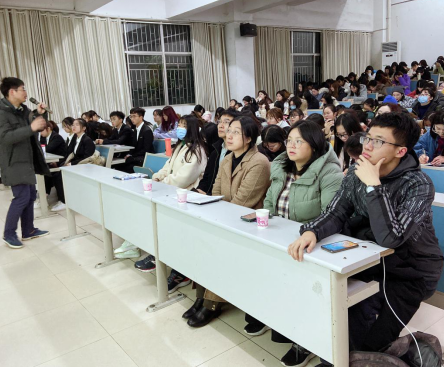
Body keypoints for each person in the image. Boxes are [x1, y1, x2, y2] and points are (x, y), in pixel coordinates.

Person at [289, 113, 443, 364]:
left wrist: (373, 186)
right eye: (368, 138)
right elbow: (336, 211)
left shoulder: (419, 185)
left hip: (410, 273)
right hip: (369, 262)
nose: (368, 146)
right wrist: (312, 231)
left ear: (401, 151)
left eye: (379, 141)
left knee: (364, 338)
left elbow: (392, 238)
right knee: (331, 306)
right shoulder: (356, 173)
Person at [244, 121, 344, 366]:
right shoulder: (281, 167)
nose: (291, 145)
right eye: (289, 140)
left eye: (299, 141)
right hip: (279, 237)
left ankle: (305, 341)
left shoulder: (329, 172)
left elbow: (331, 215)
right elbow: (269, 202)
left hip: (312, 244)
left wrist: (308, 233)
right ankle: (273, 318)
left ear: (314, 145)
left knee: (302, 286)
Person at [184, 117, 271, 328]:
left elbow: (242, 202)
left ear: (249, 138)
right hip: (225, 217)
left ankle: (212, 303)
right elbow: (216, 192)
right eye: (229, 131)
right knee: (201, 241)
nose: (229, 135)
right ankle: (201, 296)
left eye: (236, 132)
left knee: (217, 246)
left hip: (248, 225)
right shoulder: (227, 159)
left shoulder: (259, 162)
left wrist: (219, 214)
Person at [135, 115, 207, 275]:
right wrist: (157, 177)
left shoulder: (197, 150)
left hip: (185, 194)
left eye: (184, 126)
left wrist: (164, 182)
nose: (180, 129)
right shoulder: (180, 146)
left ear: (192, 129)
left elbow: (184, 178)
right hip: (171, 191)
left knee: (172, 229)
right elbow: (167, 166)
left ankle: (169, 263)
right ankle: (158, 255)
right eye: (179, 125)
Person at [0, 77, 51, 249]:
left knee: (30, 195)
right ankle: (9, 234)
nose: (26, 92)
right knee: (21, 197)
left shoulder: (22, 110)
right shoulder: (1, 113)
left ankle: (28, 230)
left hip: (26, 160)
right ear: (12, 92)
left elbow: (36, 126)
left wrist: (40, 114)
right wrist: (31, 127)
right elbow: (5, 138)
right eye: (23, 89)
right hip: (14, 161)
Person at [51, 119, 96, 212]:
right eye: (73, 125)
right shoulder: (76, 139)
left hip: (85, 166)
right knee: (56, 173)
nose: (73, 127)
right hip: (76, 165)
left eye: (77, 125)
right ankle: (62, 199)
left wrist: (71, 164)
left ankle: (64, 201)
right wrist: (62, 163)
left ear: (84, 128)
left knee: (59, 176)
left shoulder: (87, 140)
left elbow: (87, 157)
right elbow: (70, 154)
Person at [196, 111, 239, 195]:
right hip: (209, 196)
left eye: (226, 122)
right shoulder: (216, 150)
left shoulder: (236, 153)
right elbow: (206, 178)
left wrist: (209, 196)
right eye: (219, 122)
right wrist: (198, 191)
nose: (220, 125)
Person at [115, 108, 155, 174]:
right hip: (138, 156)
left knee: (126, 165)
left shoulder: (147, 130)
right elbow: (134, 145)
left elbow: (146, 149)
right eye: (131, 116)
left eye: (134, 116)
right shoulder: (135, 130)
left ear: (141, 117)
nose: (132, 119)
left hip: (145, 156)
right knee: (119, 164)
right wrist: (129, 154)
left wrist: (132, 155)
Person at [38, 121, 67, 209]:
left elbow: (47, 149)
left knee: (51, 174)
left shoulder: (56, 137)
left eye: (42, 130)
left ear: (48, 129)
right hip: (53, 161)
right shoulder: (44, 137)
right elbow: (41, 148)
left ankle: (62, 201)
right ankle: (44, 197)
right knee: (44, 171)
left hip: (61, 162)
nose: (41, 133)